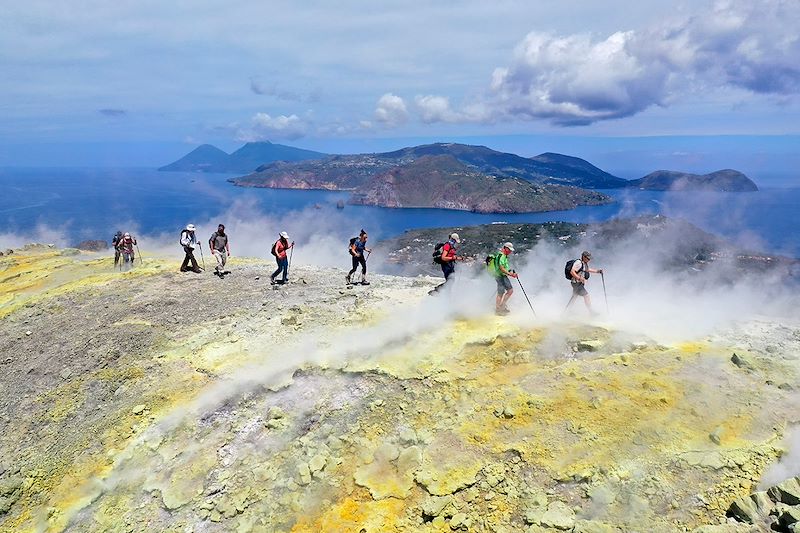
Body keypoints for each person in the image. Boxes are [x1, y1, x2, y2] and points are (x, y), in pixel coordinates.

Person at [491, 242, 518, 315]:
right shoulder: (501, 256)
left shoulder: (504, 256)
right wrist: (511, 274)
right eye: (509, 250)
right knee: (501, 293)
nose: (510, 252)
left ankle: (501, 306)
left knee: (509, 290)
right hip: (499, 276)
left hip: (502, 275)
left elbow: (505, 267)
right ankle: (498, 309)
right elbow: (501, 268)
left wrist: (510, 272)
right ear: (505, 248)